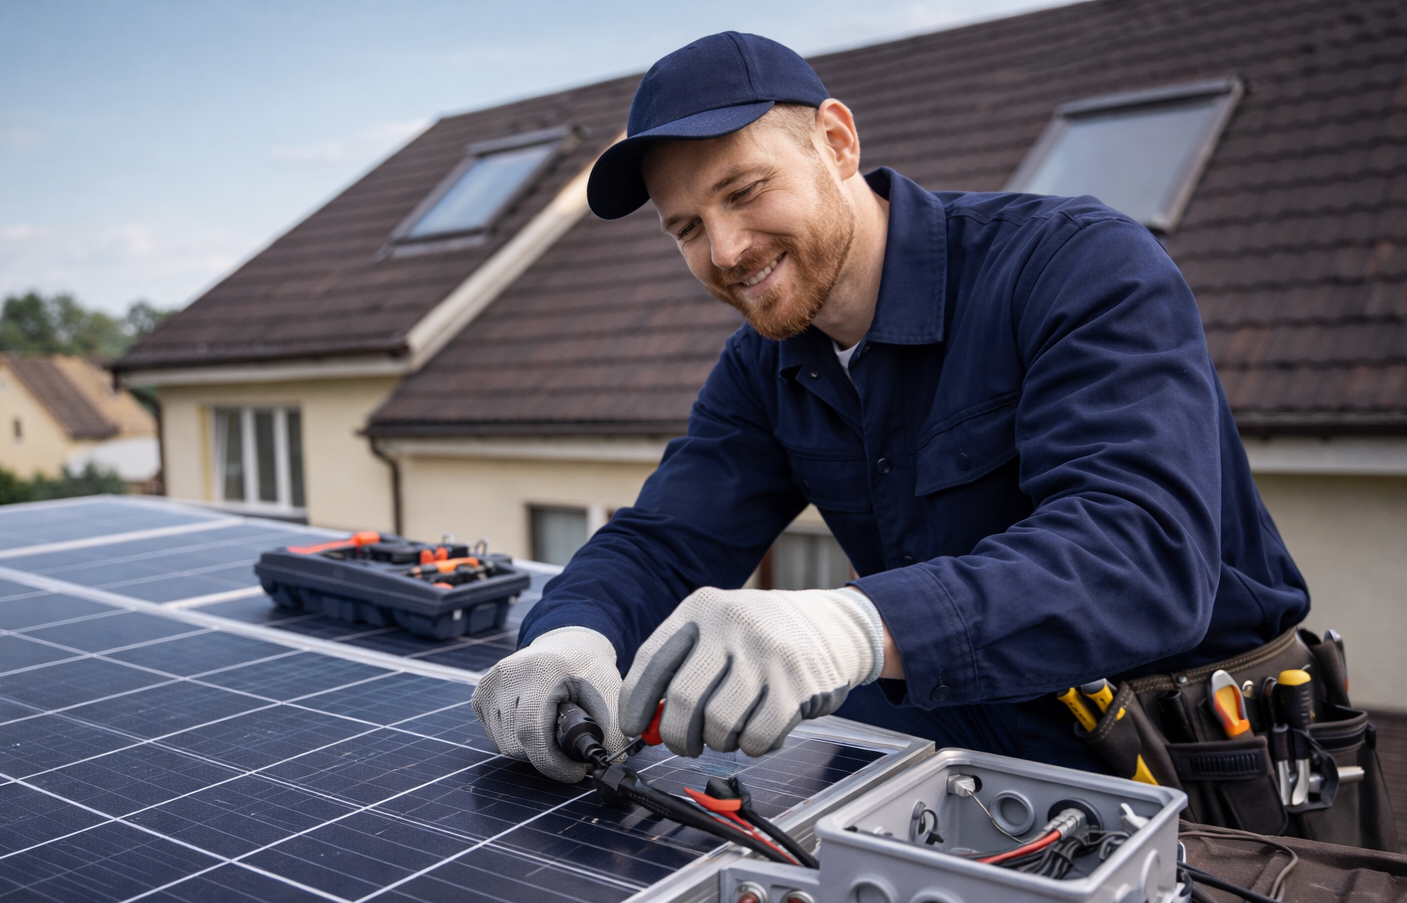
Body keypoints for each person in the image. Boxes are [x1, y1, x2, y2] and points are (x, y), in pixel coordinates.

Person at [473, 31, 1308, 785]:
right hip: (958, 744)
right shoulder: (768, 364)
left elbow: (1143, 558)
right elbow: (666, 542)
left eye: (746, 190)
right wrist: (570, 636)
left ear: (837, 142)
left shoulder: (1076, 269)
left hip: (1187, 757)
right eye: (686, 228)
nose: (725, 251)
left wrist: (853, 628)